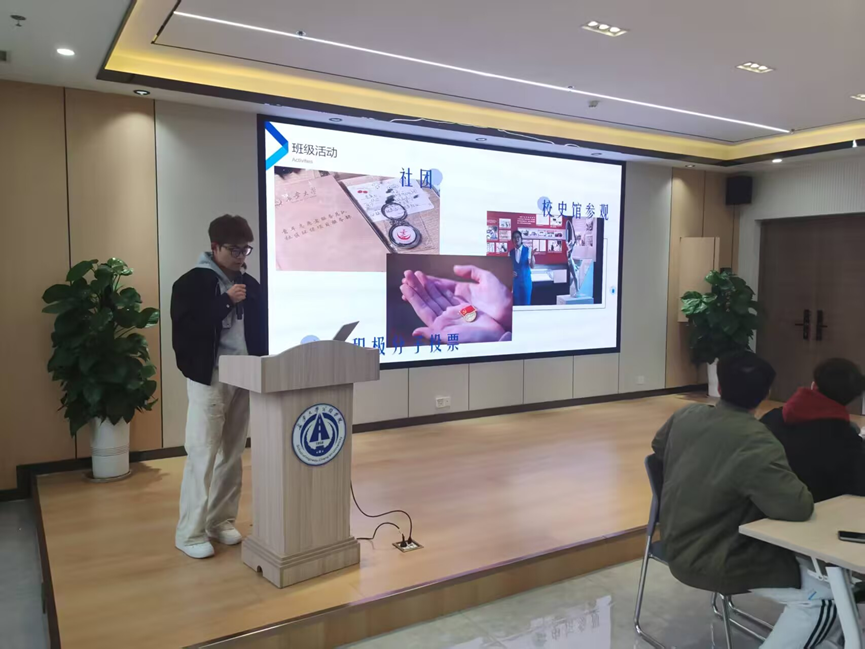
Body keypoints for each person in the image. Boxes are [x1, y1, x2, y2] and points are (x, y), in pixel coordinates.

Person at [652, 352, 838, 648]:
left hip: (673, 539)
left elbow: (658, 447)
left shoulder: (686, 415)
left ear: (720, 387)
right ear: (766, 394)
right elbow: (797, 507)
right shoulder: (756, 440)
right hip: (717, 554)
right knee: (826, 597)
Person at [171, 215, 265, 559]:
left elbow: (260, 330)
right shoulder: (191, 283)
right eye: (234, 250)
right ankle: (189, 532)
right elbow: (186, 328)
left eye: (245, 250)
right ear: (215, 247)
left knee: (233, 453)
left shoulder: (250, 284)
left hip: (245, 377)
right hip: (209, 378)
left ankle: (220, 521)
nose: (241, 256)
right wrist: (225, 300)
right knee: (202, 454)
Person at [761, 358, 865, 502]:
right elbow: (859, 485)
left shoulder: (771, 418)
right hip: (814, 510)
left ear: (814, 385)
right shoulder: (846, 440)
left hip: (763, 505)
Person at [509, 231, 534, 306]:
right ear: (512, 240)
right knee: (516, 306)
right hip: (515, 284)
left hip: (526, 283)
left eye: (518, 237)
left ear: (521, 239)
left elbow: (532, 266)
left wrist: (532, 256)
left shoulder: (528, 250)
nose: (516, 239)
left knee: (526, 305)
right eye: (514, 238)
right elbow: (508, 268)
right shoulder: (510, 253)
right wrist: (510, 272)